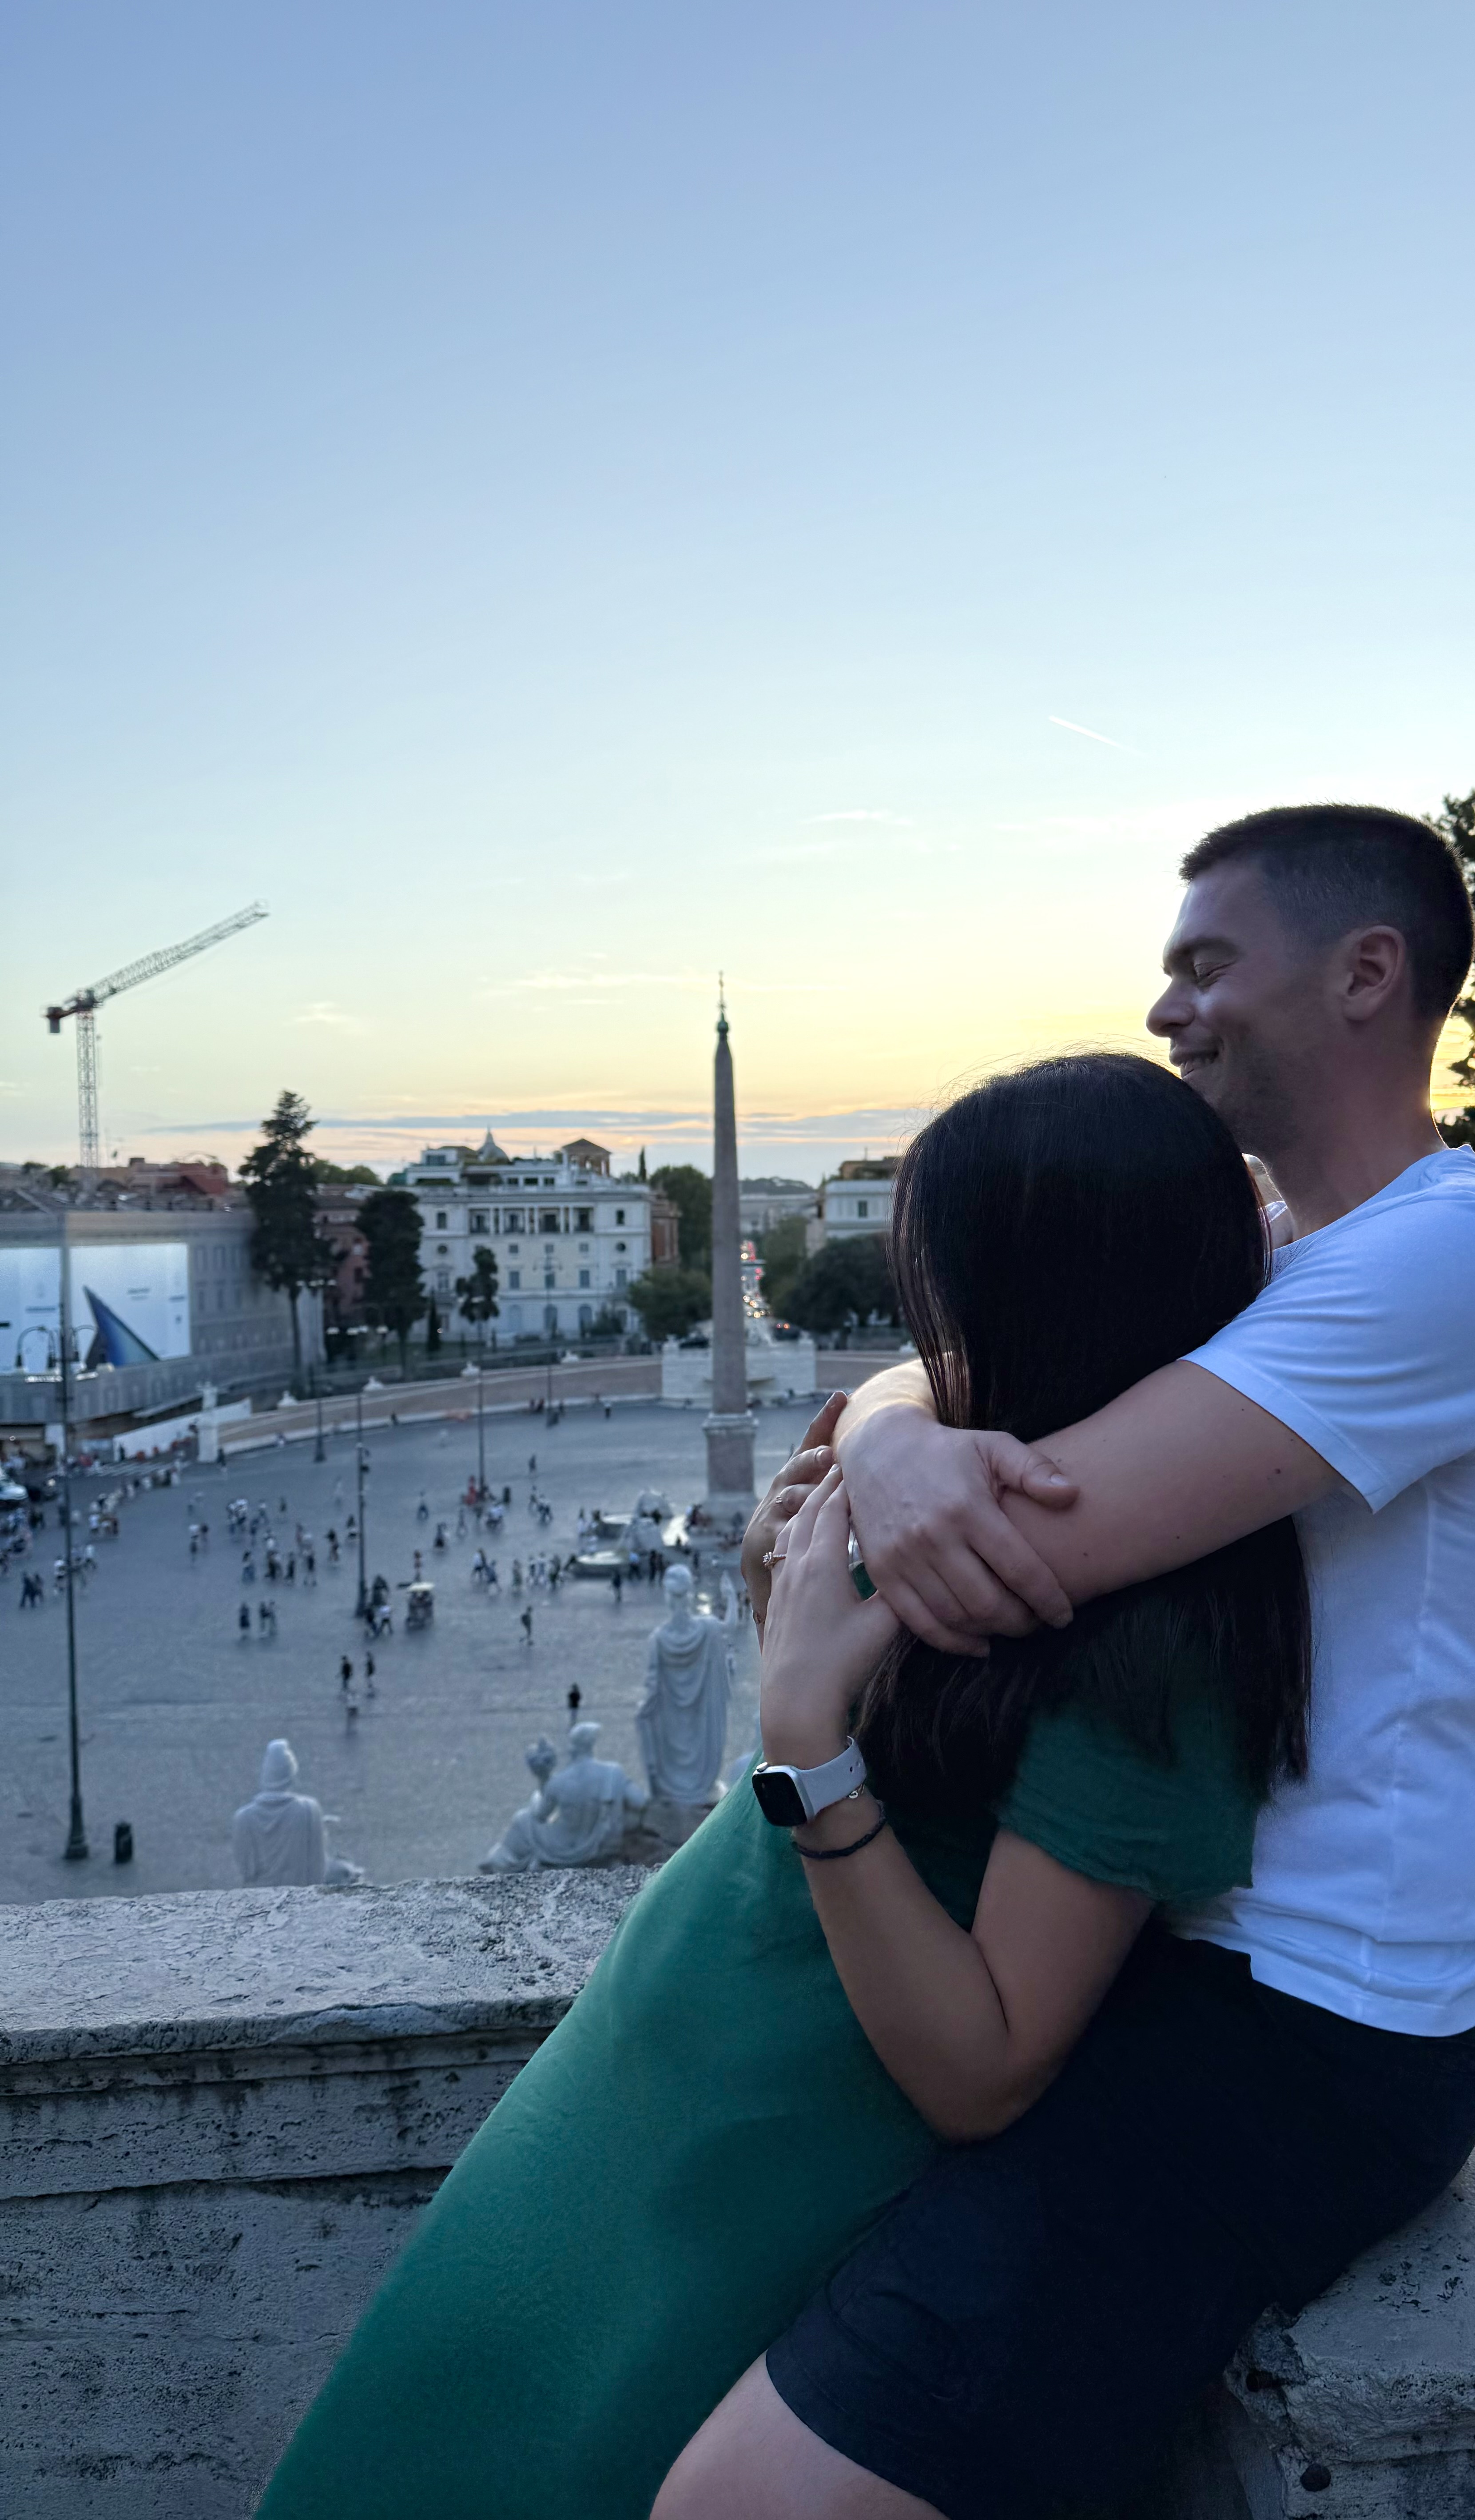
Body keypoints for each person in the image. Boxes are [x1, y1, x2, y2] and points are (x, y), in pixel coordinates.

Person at [666, 802, 1475, 2520]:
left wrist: (889, 1466)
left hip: (1303, 2028)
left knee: (747, 2502)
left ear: (1365, 973)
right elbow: (967, 1368)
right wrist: (892, 1427)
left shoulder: (1452, 1266)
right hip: (1163, 1949)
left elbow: (1008, 1544)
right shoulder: (1289, 1250)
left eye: (1204, 965)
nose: (1166, 1011)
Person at [255, 1052, 1307, 2520]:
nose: (925, 1326)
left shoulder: (1158, 1637)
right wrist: (819, 1539)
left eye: (941, 1279)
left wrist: (801, 1727)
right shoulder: (972, 1480)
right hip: (635, 2090)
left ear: (1034, 1292)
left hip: (769, 2143)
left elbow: (985, 2066)